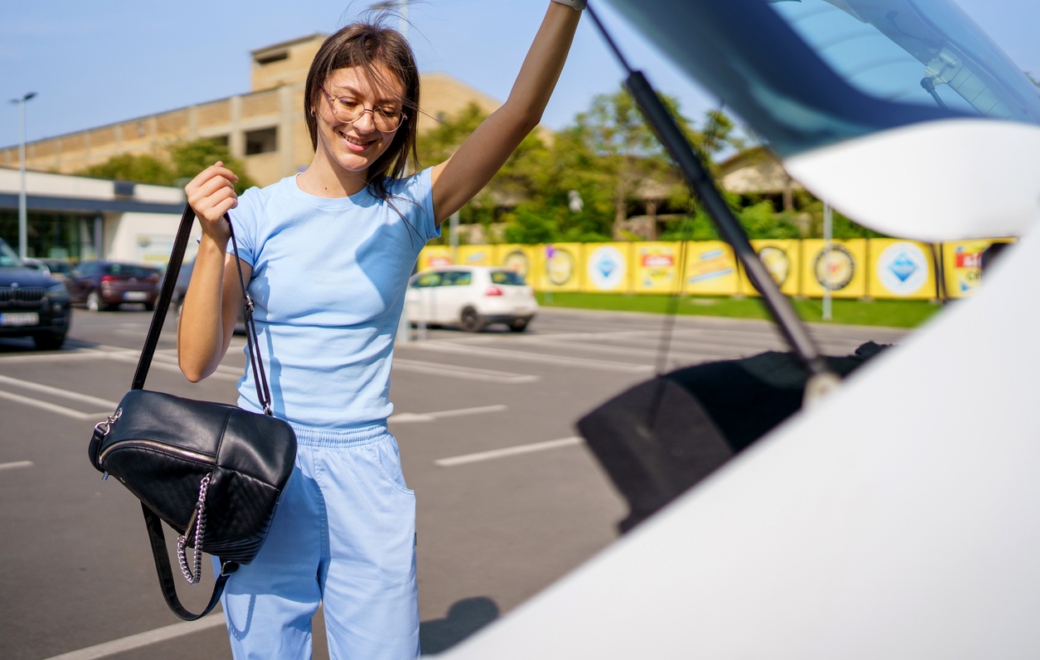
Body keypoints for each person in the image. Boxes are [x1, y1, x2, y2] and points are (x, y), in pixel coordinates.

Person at [176, 2, 584, 658]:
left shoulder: (408, 208)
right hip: (263, 465)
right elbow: (196, 361)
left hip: (365, 469)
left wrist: (567, 7)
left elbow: (519, 114)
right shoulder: (254, 215)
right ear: (315, 98)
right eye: (350, 99)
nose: (365, 123)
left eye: (388, 110)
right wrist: (211, 240)